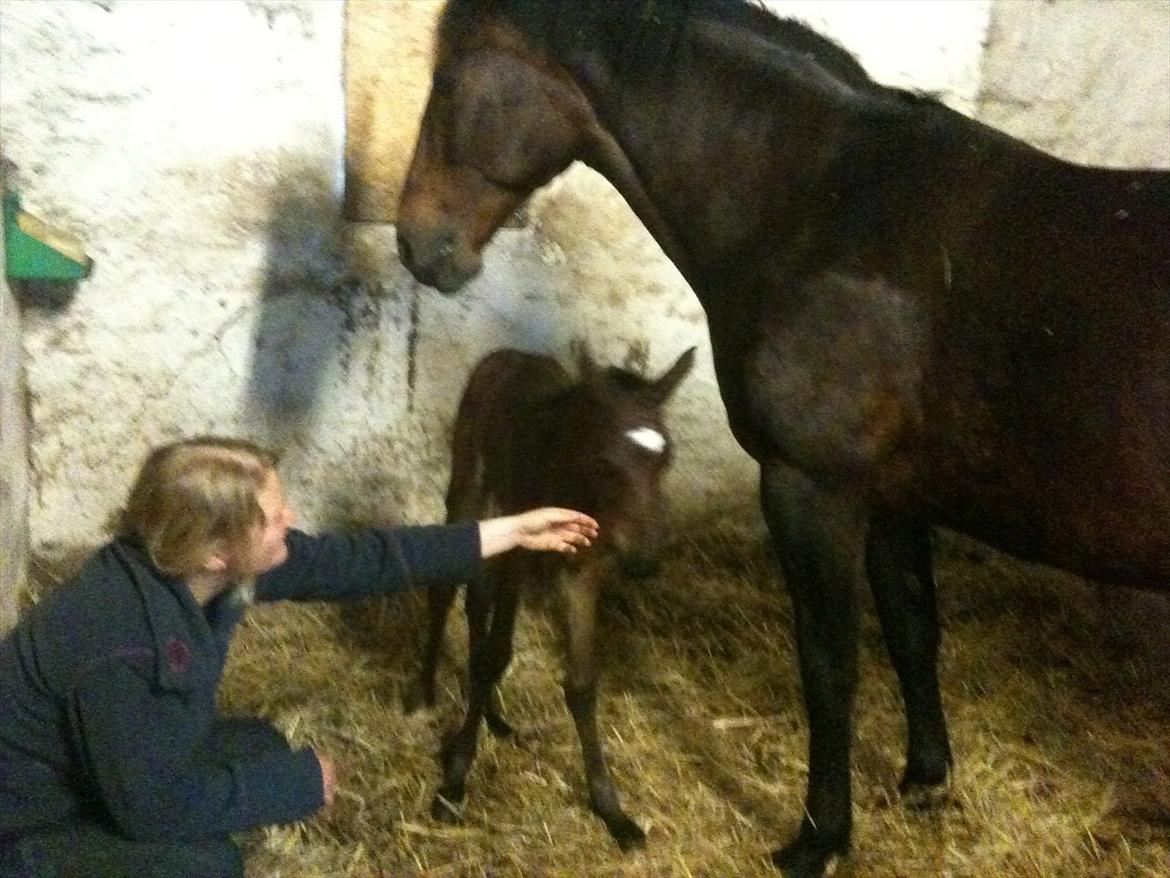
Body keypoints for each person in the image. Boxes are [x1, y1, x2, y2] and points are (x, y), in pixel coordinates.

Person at [0, 436, 598, 878]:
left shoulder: (191, 572)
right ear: (215, 551)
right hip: (28, 823)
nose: (290, 519)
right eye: (272, 518)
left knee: (258, 745)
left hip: (86, 773)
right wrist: (296, 785)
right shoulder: (124, 646)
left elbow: (363, 561)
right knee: (204, 865)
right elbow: (151, 810)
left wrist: (510, 531)